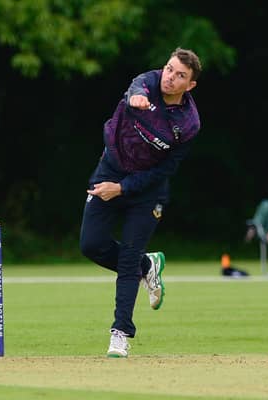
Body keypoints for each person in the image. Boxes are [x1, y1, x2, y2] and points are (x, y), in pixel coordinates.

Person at [79, 47, 202, 357]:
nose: (170, 78)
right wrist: (135, 98)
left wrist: (120, 189)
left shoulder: (188, 124)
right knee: (91, 244)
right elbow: (137, 86)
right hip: (110, 168)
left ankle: (120, 334)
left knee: (128, 258)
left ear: (190, 86)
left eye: (180, 76)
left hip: (147, 190)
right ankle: (149, 264)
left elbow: (164, 171)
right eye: (169, 69)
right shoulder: (146, 83)